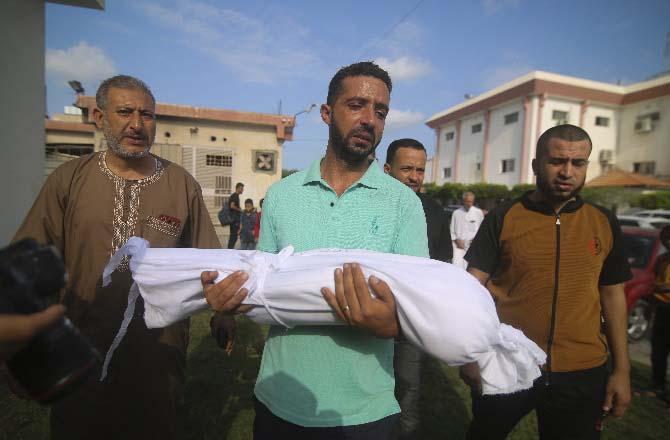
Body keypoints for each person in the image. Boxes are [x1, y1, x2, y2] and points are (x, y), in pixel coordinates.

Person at [203, 61, 428, 439]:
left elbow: (419, 308)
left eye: (381, 111)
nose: (370, 119)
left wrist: (388, 324)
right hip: (279, 402)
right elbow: (263, 282)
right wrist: (229, 309)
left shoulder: (404, 204)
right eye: (356, 105)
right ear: (327, 113)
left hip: (365, 413)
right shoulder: (281, 196)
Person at [12, 75, 223, 440]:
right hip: (78, 343)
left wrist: (223, 314)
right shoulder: (68, 179)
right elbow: (25, 265)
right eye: (125, 112)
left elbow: (210, 261)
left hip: (158, 348)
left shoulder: (181, 184)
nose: (137, 125)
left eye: (147, 115)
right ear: (98, 116)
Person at [460, 124, 632, 439]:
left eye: (577, 163)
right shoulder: (504, 216)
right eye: (556, 161)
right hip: (507, 362)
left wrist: (622, 370)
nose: (567, 171)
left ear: (586, 167)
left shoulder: (603, 221)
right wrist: (471, 354)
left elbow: (613, 296)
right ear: (536, 165)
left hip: (582, 370)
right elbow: (471, 288)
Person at [383, 137, 452, 439]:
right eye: (407, 168)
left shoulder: (436, 212)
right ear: (387, 170)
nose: (415, 177)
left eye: (420, 170)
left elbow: (443, 265)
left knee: (407, 393)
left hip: (411, 323)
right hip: (363, 318)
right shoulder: (365, 206)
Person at [650, 225, 670, 403]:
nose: (667, 242)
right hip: (662, 308)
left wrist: (666, 287)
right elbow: (654, 280)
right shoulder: (662, 259)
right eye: (665, 238)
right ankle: (657, 386)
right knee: (658, 349)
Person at [450, 191, 484, 269]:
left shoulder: (478, 212)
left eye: (471, 202)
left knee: (472, 269)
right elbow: (452, 230)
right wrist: (457, 240)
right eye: (467, 201)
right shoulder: (456, 213)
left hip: (473, 245)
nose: (469, 204)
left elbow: (482, 230)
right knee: (457, 268)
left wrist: (476, 240)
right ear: (463, 201)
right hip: (459, 246)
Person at [227, 182, 244, 249]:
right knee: (233, 237)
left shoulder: (235, 196)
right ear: (237, 188)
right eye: (241, 188)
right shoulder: (235, 196)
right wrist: (240, 210)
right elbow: (232, 206)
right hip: (234, 220)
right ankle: (229, 251)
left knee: (233, 236)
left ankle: (230, 249)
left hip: (234, 220)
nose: (242, 190)